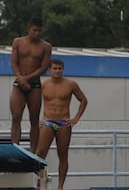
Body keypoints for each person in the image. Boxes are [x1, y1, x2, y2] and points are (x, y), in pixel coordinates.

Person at [35, 59, 88, 190]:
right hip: (47, 121)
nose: (57, 71)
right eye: (55, 68)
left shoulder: (70, 84)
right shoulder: (43, 84)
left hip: (63, 122)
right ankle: (40, 182)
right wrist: (36, 119)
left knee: (63, 154)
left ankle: (60, 186)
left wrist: (75, 118)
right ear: (49, 70)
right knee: (40, 152)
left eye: (60, 68)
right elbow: (34, 102)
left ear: (63, 69)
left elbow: (83, 100)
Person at [10, 17, 52, 152]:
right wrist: (20, 78)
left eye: (39, 31)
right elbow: (14, 62)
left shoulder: (46, 47)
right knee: (16, 116)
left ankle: (33, 151)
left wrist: (26, 79)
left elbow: (43, 68)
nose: (37, 33)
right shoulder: (18, 42)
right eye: (34, 30)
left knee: (34, 119)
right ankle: (15, 148)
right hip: (19, 85)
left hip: (34, 86)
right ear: (29, 29)